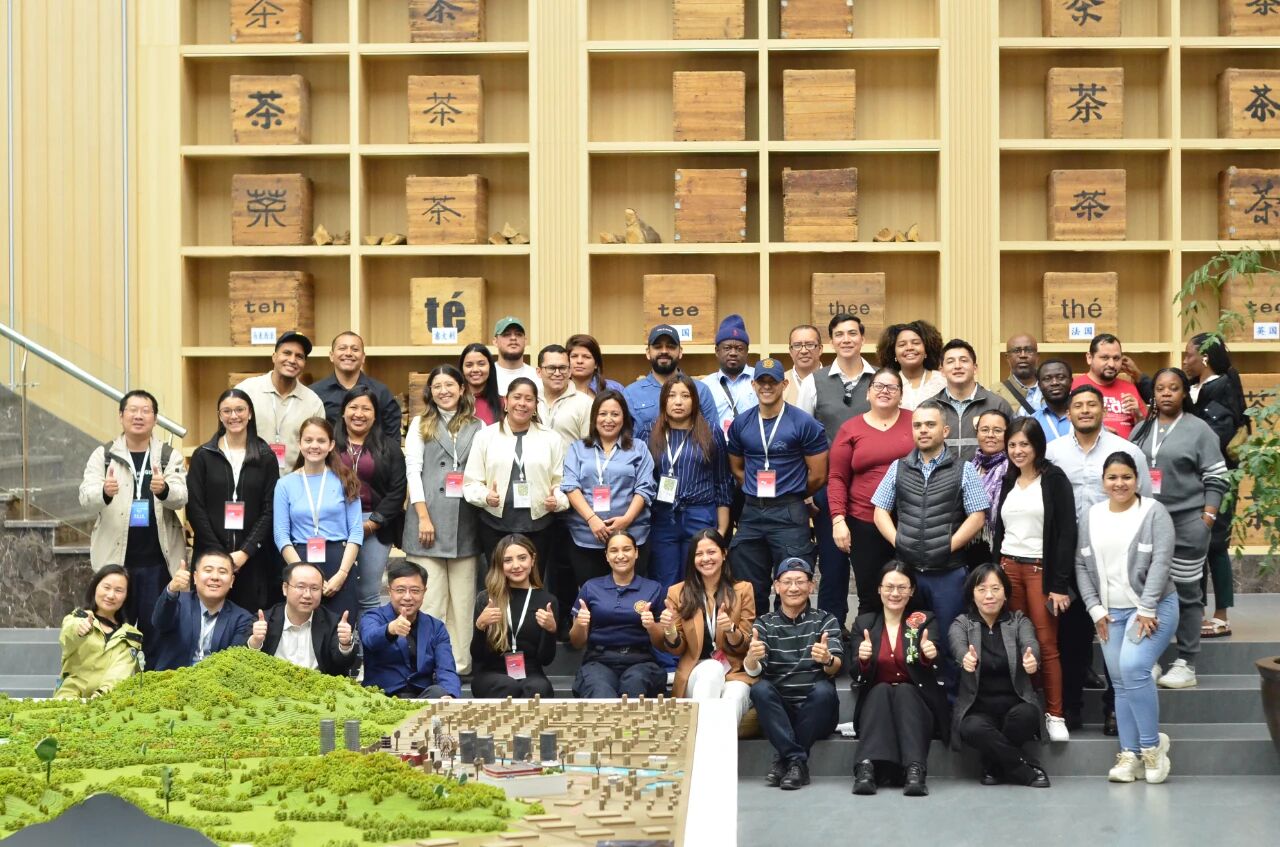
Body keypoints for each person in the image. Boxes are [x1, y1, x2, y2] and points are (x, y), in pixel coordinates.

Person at [1046, 384, 1152, 733]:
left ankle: (1114, 710)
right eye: (1078, 405)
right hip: (1070, 557)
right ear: (1068, 413)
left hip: (1115, 556)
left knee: (1116, 636)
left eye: (1092, 404)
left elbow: (1146, 504)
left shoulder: (1127, 451)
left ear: (1103, 410)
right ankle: (1071, 707)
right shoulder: (1053, 453)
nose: (1085, 410)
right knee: (1072, 638)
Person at [871, 399, 990, 692]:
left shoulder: (964, 469)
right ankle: (913, 698)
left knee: (950, 641)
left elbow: (977, 516)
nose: (923, 430)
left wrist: (948, 546)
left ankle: (950, 703)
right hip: (908, 573)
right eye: (917, 425)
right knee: (908, 640)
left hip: (948, 572)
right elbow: (879, 511)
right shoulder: (898, 468)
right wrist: (899, 541)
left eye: (930, 424)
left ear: (945, 430)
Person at [1076, 452, 1177, 784]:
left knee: (1133, 668)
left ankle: (1151, 748)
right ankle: (1129, 754)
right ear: (1103, 481)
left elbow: (1161, 562)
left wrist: (1146, 609)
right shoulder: (1092, 515)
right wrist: (1095, 609)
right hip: (1109, 614)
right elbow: (1081, 564)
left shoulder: (1153, 512)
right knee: (1119, 682)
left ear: (1137, 479)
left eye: (1126, 477)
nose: (1119, 483)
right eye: (1112, 477)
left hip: (1151, 610)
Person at [1131, 368, 1229, 690]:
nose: (1166, 393)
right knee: (1147, 592)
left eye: (1173, 388)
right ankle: (1151, 659)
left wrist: (1207, 519)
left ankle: (1186, 663)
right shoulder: (1141, 429)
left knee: (1187, 594)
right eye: (1160, 388)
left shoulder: (1199, 430)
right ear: (1153, 394)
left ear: (1184, 393)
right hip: (1147, 524)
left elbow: (1217, 477)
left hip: (1187, 524)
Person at [78, 389, 188, 646]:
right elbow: (85, 498)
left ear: (155, 418)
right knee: (112, 634)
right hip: (116, 564)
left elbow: (182, 497)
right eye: (133, 410)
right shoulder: (104, 455)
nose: (139, 416)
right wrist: (104, 492)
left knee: (157, 633)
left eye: (146, 411)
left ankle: (154, 672)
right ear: (121, 416)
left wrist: (165, 490)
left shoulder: (167, 456)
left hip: (159, 565)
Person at [990, 417, 1076, 742]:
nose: (1017, 450)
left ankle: (1055, 714)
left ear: (1037, 445)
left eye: (1024, 444)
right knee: (1016, 642)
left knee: (1046, 644)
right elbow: (1001, 530)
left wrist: (1059, 584)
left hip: (1042, 571)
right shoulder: (1009, 479)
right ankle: (1026, 708)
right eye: (1012, 444)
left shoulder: (1054, 479)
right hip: (1009, 568)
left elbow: (1067, 533)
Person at [727, 358, 829, 616]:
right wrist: (755, 489)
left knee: (792, 583)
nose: (767, 386)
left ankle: (790, 638)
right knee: (748, 587)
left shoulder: (803, 423)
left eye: (772, 382)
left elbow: (818, 475)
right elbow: (737, 469)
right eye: (761, 381)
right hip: (751, 512)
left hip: (789, 513)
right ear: (753, 385)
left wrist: (791, 493)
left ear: (784, 384)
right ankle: (753, 638)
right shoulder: (741, 423)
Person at [404, 364, 483, 676]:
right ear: (430, 392)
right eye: (437, 386)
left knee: (463, 603)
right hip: (427, 521)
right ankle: (427, 665)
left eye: (449, 385)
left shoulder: (478, 426)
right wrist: (423, 517)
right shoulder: (419, 424)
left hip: (465, 523)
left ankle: (460, 666)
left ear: (461, 389)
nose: (443, 391)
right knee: (430, 601)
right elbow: (413, 472)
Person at [849, 562, 949, 797]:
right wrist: (863, 659)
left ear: (911, 590)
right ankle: (866, 768)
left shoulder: (923, 620)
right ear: (879, 589)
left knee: (905, 690)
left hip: (917, 701)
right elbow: (857, 673)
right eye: (889, 587)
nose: (895, 593)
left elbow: (937, 667)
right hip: (877, 704)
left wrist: (929, 655)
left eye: (902, 587)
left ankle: (915, 769)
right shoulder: (864, 623)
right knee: (880, 690)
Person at [949, 563, 1050, 788]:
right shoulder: (962, 624)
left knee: (1027, 715)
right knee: (972, 728)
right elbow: (957, 645)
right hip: (978, 709)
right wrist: (965, 658)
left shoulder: (1019, 621)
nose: (989, 596)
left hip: (1014, 707)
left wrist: (1032, 659)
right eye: (982, 589)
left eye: (995, 589)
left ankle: (993, 765)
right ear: (972, 594)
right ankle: (1024, 768)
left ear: (1005, 593)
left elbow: (1030, 643)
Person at [745, 558, 843, 791]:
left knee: (824, 691)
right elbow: (755, 670)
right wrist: (751, 658)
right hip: (782, 713)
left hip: (818, 712)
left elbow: (836, 666)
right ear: (776, 587)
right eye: (787, 582)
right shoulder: (764, 623)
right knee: (760, 689)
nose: (793, 588)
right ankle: (796, 761)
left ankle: (785, 759)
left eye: (800, 581)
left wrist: (827, 659)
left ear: (811, 586)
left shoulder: (825, 619)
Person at [463, 377, 568, 585]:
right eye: (517, 397)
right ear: (506, 401)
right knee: (498, 584)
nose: (522, 403)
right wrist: (485, 496)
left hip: (539, 525)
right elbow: (470, 482)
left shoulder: (551, 438)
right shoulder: (486, 436)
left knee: (534, 583)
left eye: (529, 399)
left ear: (536, 405)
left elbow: (561, 481)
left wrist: (557, 501)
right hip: (495, 524)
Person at [828, 367, 914, 618]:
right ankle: (867, 642)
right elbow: (837, 477)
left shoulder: (915, 421)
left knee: (911, 591)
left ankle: (907, 643)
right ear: (867, 393)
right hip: (864, 521)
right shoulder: (850, 428)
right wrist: (838, 520)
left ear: (901, 394)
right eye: (878, 386)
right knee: (870, 593)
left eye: (892, 387)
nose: (884, 391)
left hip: (910, 520)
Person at [186, 388, 281, 613]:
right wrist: (221, 557)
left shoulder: (266, 456)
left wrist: (245, 551)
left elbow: (270, 509)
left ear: (250, 413)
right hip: (211, 558)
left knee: (251, 623)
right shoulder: (204, 455)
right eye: (227, 411)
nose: (234, 416)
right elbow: (195, 508)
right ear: (219, 416)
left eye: (240, 410)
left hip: (253, 559)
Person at [1183, 333, 1247, 639]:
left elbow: (1214, 438)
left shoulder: (1222, 389)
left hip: (1218, 480)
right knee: (1197, 546)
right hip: (1192, 480)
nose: (1184, 361)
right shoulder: (1196, 387)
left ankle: (1221, 616)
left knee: (1216, 545)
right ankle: (1196, 612)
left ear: (1205, 358)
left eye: (1189, 355)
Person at [655, 529, 756, 721]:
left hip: (734, 672)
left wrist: (730, 630)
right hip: (696, 672)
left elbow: (745, 645)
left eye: (711, 552)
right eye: (699, 554)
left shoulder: (743, 590)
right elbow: (677, 649)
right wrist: (669, 629)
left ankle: (705, 738)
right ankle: (703, 733)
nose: (705, 559)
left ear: (724, 554)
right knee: (712, 669)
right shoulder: (677, 592)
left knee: (733, 699)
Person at [646, 375, 732, 595]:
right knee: (665, 580)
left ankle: (700, 619)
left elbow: (722, 481)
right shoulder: (650, 431)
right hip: (663, 516)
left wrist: (721, 529)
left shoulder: (711, 431)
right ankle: (668, 619)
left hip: (700, 514)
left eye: (685, 396)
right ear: (663, 400)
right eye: (672, 396)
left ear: (694, 400)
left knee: (698, 580)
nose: (678, 402)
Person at [272, 417, 363, 623]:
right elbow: (281, 535)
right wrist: (301, 574)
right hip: (299, 560)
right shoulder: (285, 484)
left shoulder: (346, 480)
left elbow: (356, 532)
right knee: (302, 627)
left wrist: (342, 574)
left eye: (321, 441)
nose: (314, 446)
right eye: (308, 440)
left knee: (340, 628)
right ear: (299, 444)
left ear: (331, 445)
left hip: (339, 562)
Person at [563, 389, 657, 583]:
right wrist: (592, 519)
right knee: (591, 594)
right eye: (603, 414)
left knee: (631, 593)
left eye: (615, 414)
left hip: (631, 535)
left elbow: (645, 487)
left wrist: (626, 520)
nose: (608, 420)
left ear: (624, 418)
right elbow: (570, 486)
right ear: (594, 418)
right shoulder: (578, 448)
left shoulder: (639, 448)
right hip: (586, 536)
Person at [334, 385, 407, 615]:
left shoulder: (390, 448)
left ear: (375, 415)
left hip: (374, 526)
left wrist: (372, 524)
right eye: (353, 407)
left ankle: (368, 639)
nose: (359, 414)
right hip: (333, 523)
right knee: (335, 586)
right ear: (343, 411)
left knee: (368, 592)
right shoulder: (329, 445)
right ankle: (339, 638)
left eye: (366, 409)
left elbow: (397, 491)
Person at [570, 530, 668, 698]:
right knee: (600, 691)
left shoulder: (653, 588)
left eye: (627, 549)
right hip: (599, 660)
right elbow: (577, 642)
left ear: (636, 553)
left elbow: (662, 645)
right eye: (614, 550)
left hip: (641, 660)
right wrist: (580, 624)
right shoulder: (591, 587)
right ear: (607, 556)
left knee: (635, 685)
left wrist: (652, 626)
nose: (620, 556)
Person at [471, 534, 559, 698]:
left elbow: (546, 660)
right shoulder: (487, 599)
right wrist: (480, 627)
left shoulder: (547, 600)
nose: (516, 565)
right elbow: (477, 656)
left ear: (533, 560)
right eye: (508, 560)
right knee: (507, 686)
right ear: (500, 564)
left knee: (538, 688)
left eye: (522, 558)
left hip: (531, 672)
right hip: (491, 673)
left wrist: (550, 631)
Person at [360, 561, 461, 698]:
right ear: (389, 591)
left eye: (415, 591)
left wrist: (449, 695)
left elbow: (446, 668)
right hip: (382, 698)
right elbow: (370, 639)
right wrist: (390, 629)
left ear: (424, 592)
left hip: (421, 698)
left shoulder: (436, 627)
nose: (407, 597)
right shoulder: (373, 617)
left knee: (439, 693)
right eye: (400, 590)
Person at [149, 552, 253, 672]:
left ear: (231, 581)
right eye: (208, 570)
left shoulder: (242, 618)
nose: (215, 577)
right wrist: (171, 590)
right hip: (172, 680)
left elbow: (235, 661)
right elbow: (159, 622)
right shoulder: (177, 602)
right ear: (195, 577)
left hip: (215, 681)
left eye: (222, 572)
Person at [235, 331, 326, 469]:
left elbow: (318, 449)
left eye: (299, 356)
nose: (292, 360)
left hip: (295, 479)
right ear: (274, 357)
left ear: (304, 363)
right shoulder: (246, 391)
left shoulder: (313, 403)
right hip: (250, 477)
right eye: (287, 353)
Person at [254, 562, 357, 676]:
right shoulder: (264, 621)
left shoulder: (332, 622)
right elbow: (246, 660)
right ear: (285, 588)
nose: (307, 595)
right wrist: (255, 642)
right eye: (301, 587)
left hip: (317, 685)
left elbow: (342, 664)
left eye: (314, 588)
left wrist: (345, 645)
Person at [54, 565, 143, 699]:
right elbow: (66, 637)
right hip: (68, 697)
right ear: (95, 587)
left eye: (118, 590)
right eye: (106, 587)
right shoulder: (78, 618)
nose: (111, 595)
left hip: (106, 701)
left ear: (126, 596)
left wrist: (100, 697)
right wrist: (79, 631)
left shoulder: (131, 637)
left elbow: (120, 674)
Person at [623, 323, 719, 441]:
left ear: (680, 352)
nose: (664, 351)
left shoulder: (700, 390)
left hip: (690, 453)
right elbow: (624, 440)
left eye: (671, 346)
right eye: (657, 346)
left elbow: (713, 434)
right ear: (648, 352)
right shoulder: (630, 393)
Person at [310, 331, 402, 440]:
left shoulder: (381, 392)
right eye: (342, 348)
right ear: (331, 356)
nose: (348, 353)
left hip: (373, 451)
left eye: (355, 349)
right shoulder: (314, 393)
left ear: (363, 357)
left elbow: (392, 439)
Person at [934, 339, 1014, 461]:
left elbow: (1012, 447)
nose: (957, 366)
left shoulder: (998, 405)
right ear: (942, 371)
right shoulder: (930, 407)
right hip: (941, 473)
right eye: (950, 361)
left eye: (964, 360)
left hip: (987, 473)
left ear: (975, 368)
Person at [1072, 334, 1148, 438]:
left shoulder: (1129, 387)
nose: (1111, 364)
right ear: (1089, 358)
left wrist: (1138, 415)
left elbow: (1147, 431)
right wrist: (1097, 433)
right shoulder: (1075, 386)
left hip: (1127, 447)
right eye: (1105, 358)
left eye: (1116, 358)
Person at [701, 314, 757, 434]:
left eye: (739, 348)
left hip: (752, 444)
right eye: (727, 348)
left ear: (747, 351)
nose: (733, 353)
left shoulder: (760, 379)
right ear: (717, 351)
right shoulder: (705, 386)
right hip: (716, 444)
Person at [968, 409, 1011, 565]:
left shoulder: (1013, 469)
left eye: (997, 430)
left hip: (1002, 548)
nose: (990, 435)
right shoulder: (969, 467)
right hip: (970, 547)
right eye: (985, 430)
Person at [876, 320, 946, 410]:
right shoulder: (886, 383)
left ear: (926, 349)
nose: (909, 348)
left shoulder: (943, 381)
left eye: (916, 343)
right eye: (902, 345)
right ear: (894, 353)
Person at [536, 343, 593, 445]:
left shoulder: (585, 403)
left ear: (570, 371)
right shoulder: (530, 401)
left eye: (563, 368)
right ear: (539, 372)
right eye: (551, 368)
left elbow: (589, 446)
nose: (557, 373)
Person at [994, 333, 1044, 417]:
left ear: (1037, 356)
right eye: (1016, 351)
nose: (1023, 355)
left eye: (1029, 350)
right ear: (1007, 357)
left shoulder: (1052, 389)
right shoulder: (995, 393)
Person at [566, 333, 625, 397]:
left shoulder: (614, 388)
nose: (579, 361)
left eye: (586, 357)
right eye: (574, 356)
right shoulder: (559, 389)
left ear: (596, 364)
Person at [492, 316, 540, 394]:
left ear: (525, 340)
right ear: (495, 341)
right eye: (506, 334)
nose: (513, 338)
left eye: (518, 334)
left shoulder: (537, 377)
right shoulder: (486, 375)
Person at [1031, 358, 1074, 443]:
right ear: (1039, 385)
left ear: (1071, 381)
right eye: (1047, 379)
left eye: (1061, 377)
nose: (1054, 383)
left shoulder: (1086, 417)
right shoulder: (1032, 422)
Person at [459, 342, 502, 425]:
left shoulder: (504, 404)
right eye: (469, 365)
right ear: (462, 369)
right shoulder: (453, 403)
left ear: (490, 367)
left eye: (481, 364)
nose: (475, 369)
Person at [783, 323, 823, 406]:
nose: (803, 351)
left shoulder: (836, 381)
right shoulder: (779, 383)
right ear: (790, 351)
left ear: (820, 349)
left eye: (810, 345)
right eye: (797, 345)